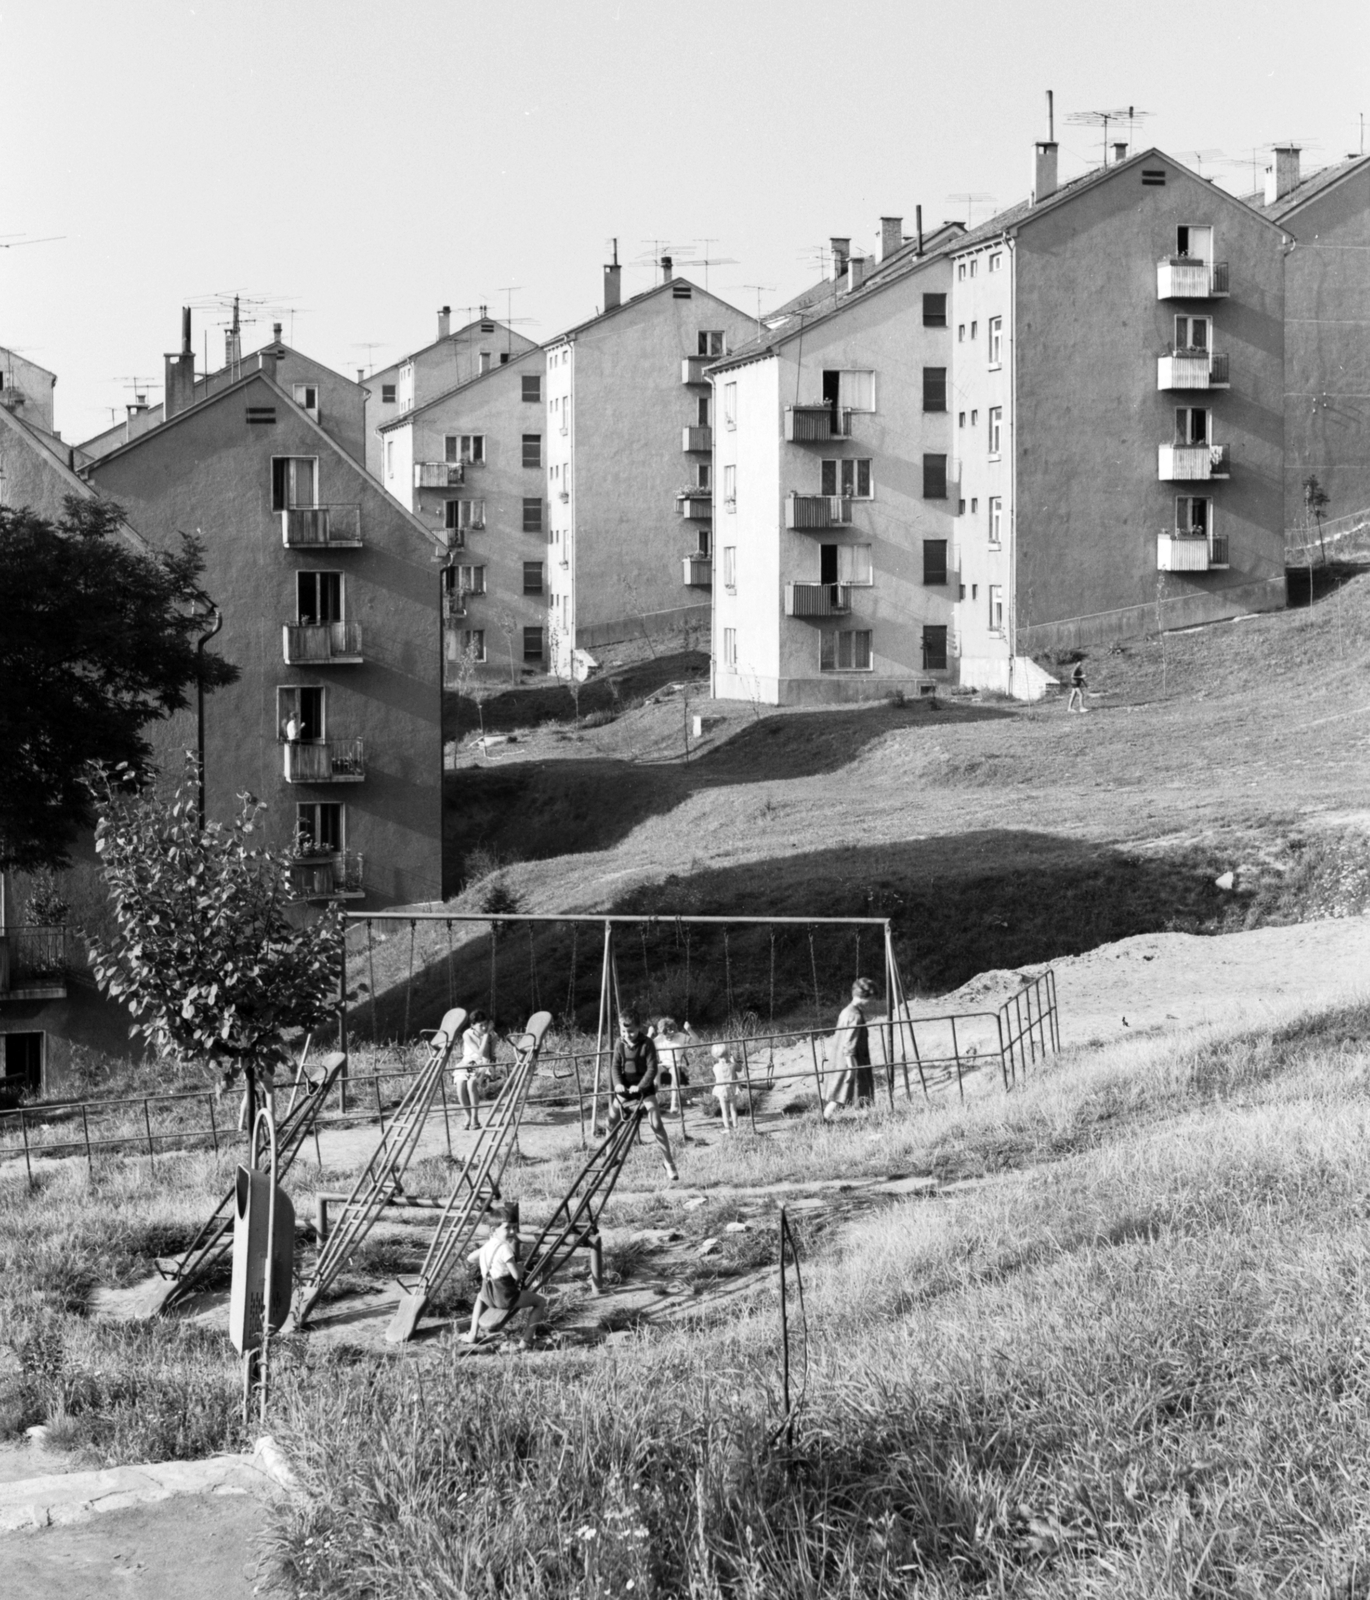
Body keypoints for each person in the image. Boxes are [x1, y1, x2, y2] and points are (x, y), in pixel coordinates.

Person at [609, 1006, 679, 1181]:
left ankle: (668, 1162)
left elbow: (652, 1068)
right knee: (611, 1119)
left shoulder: (647, 1043)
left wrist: (640, 1087)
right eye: (624, 1032)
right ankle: (611, 1157)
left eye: (631, 1032)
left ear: (639, 1028)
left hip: (644, 1089)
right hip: (626, 1088)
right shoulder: (620, 1043)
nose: (627, 1035)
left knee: (656, 1123)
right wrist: (618, 1084)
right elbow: (615, 1067)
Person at [463, 1204, 547, 1344]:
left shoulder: (487, 1246)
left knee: (479, 1297)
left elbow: (470, 1258)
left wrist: (488, 1262)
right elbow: (516, 1276)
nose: (512, 1232)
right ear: (493, 1230)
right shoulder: (505, 1249)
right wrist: (519, 1268)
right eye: (507, 1228)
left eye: (514, 1227)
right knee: (540, 1302)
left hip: (488, 1295)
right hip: (505, 1297)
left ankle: (472, 1333)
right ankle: (526, 1340)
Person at [823, 977, 877, 1121]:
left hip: (840, 1061)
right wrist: (852, 1068)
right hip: (850, 1062)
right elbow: (849, 1045)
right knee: (852, 1096)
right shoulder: (855, 1015)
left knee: (839, 1097)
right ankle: (865, 1122)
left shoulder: (847, 1010)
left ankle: (826, 1121)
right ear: (866, 997)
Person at [452, 1009, 495, 1131]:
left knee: (471, 1083)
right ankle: (468, 1117)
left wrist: (487, 1035)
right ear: (472, 1026)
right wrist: (486, 1034)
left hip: (483, 1063)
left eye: (485, 1024)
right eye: (480, 1025)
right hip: (467, 1062)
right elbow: (478, 1051)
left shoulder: (492, 1036)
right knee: (460, 1084)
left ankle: (475, 1118)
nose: (484, 1027)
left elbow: (486, 1056)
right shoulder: (467, 1034)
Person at [654, 1015, 694, 1115]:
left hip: (677, 1063)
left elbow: (697, 1041)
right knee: (654, 1071)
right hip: (663, 1064)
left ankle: (674, 1104)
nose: (669, 1035)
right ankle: (654, 1103)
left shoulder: (680, 1036)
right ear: (661, 1032)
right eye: (665, 1033)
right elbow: (643, 1046)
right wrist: (649, 1034)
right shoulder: (658, 1039)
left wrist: (689, 1030)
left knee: (675, 1071)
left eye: (671, 1031)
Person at [710, 1041, 739, 1132]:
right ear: (727, 1054)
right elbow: (740, 1069)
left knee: (724, 1110)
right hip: (732, 1090)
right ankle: (735, 1126)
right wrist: (734, 1061)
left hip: (721, 1090)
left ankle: (727, 1127)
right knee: (733, 1109)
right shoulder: (733, 1065)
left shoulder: (715, 1067)